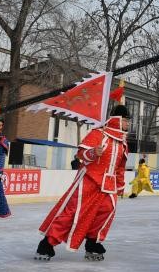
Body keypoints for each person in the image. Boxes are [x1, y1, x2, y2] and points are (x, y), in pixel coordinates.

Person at [36, 105, 129, 261]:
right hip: (90, 180)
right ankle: (47, 243)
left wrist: (120, 185)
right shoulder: (98, 134)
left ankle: (92, 242)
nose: (128, 124)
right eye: (126, 120)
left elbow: (120, 167)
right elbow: (80, 154)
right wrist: (93, 152)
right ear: (117, 120)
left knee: (106, 211)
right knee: (73, 212)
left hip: (108, 184)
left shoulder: (122, 143)